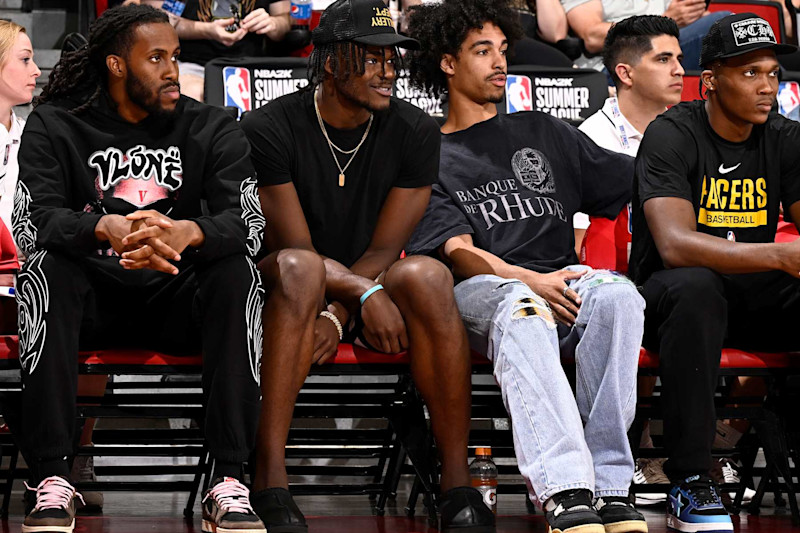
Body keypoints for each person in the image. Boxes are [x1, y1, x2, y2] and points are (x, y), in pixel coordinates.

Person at [12, 5, 266, 533]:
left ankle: (229, 478)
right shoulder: (56, 124)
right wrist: (103, 227)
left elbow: (249, 224)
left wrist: (187, 233)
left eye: (174, 56)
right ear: (116, 65)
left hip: (177, 296)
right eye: (155, 58)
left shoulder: (212, 125)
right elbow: (32, 222)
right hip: (92, 298)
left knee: (239, 273)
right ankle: (54, 477)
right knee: (46, 271)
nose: (172, 70)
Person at [241, 1, 492, 532]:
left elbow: (385, 249)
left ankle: (455, 481)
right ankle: (269, 476)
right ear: (331, 63)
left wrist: (339, 313)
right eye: (372, 58)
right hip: (281, 281)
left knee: (426, 274)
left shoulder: (415, 131)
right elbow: (296, 247)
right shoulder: (268, 125)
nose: (388, 72)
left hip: (360, 286)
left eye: (393, 58)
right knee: (298, 268)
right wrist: (362, 297)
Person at [406, 1, 647, 533]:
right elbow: (458, 252)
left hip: (560, 280)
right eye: (482, 50)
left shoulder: (544, 131)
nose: (500, 62)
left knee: (620, 296)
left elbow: (636, 179)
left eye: (503, 49)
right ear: (447, 63)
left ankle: (610, 486)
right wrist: (530, 280)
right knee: (521, 308)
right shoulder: (431, 154)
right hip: (481, 290)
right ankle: (564, 490)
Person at [629, 12, 799, 533]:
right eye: (750, 74)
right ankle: (689, 478)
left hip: (748, 297)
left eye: (772, 73)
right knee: (697, 287)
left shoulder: (785, 138)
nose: (766, 86)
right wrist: (777, 255)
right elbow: (676, 246)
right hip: (669, 300)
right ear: (711, 81)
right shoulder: (671, 134)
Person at [575, 15, 684, 250]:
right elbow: (579, 243)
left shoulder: (690, 133)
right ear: (625, 74)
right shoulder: (590, 141)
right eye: (664, 59)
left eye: (679, 59)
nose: (680, 70)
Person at [145, 0, 291, 101]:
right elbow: (156, 21)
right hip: (192, 63)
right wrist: (205, 30)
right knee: (193, 94)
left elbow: (285, 20)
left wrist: (273, 24)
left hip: (252, 67)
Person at [562, 0, 728, 71]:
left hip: (667, 52)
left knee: (728, 26)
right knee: (722, 23)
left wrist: (694, 15)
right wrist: (665, 20)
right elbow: (592, 36)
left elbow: (687, 25)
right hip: (616, 66)